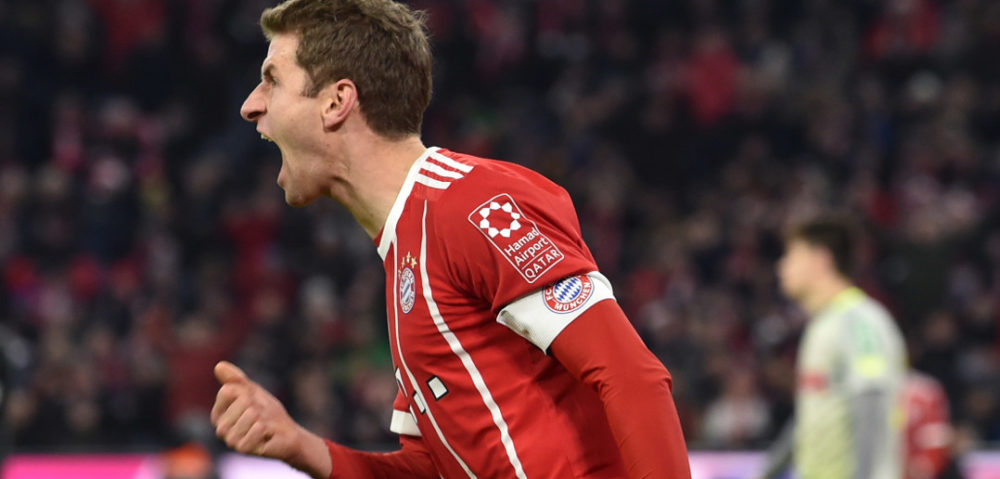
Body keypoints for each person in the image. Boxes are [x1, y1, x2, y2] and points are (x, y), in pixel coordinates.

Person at [208, 1, 691, 478]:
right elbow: (429, 469)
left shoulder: (471, 204)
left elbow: (632, 378)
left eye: (272, 79)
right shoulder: (404, 253)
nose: (251, 104)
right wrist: (302, 447)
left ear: (337, 102)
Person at [759, 217, 907, 479]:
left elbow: (871, 400)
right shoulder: (822, 324)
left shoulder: (860, 320)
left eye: (791, 255)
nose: (782, 266)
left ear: (820, 259)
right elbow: (811, 415)